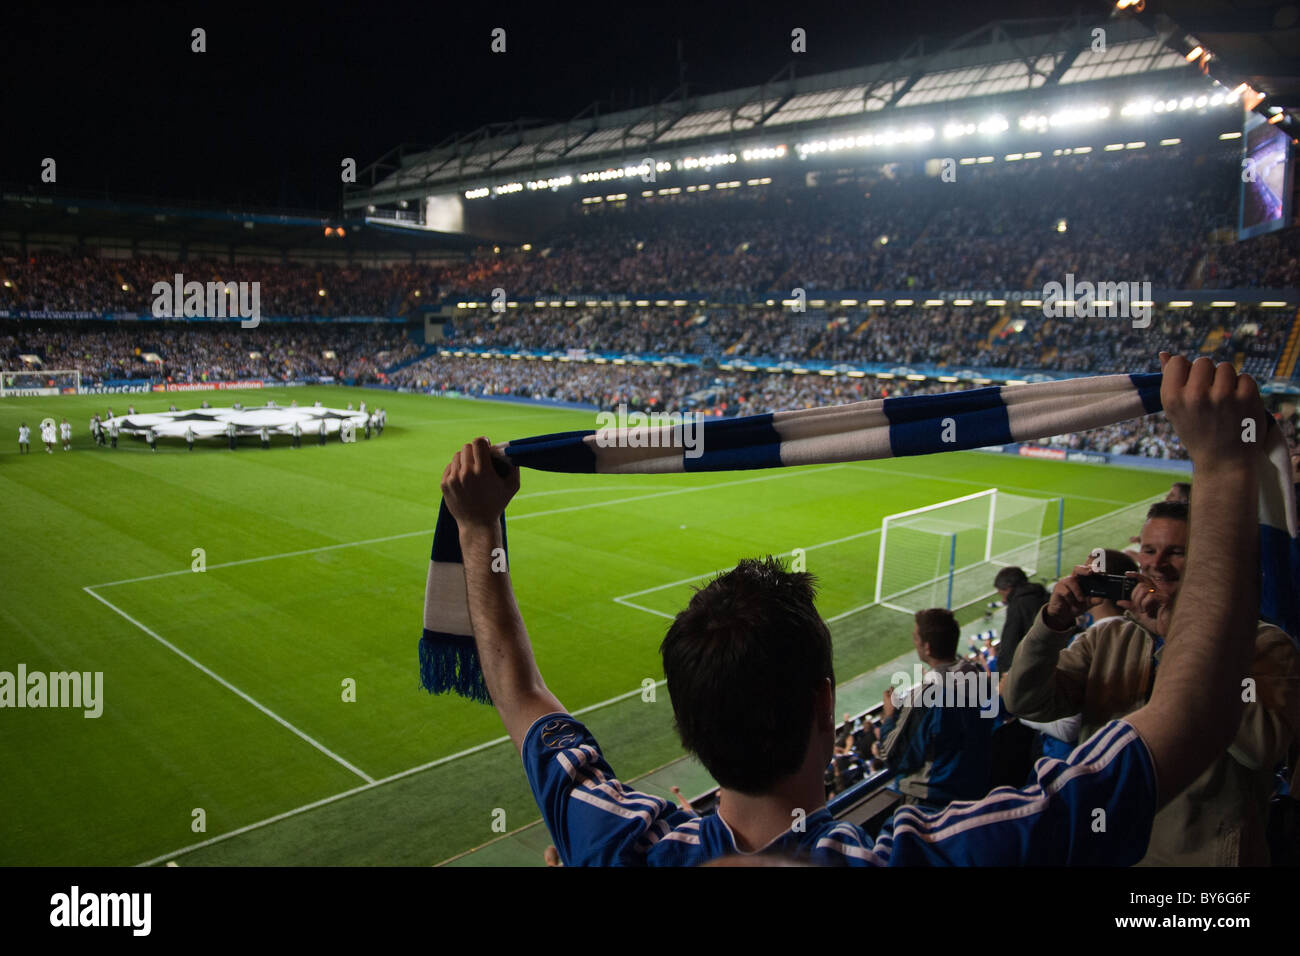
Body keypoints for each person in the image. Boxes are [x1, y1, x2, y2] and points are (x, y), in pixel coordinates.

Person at [436, 354, 1277, 866]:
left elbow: (517, 691)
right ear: (826, 701)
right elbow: (1191, 717)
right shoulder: (952, 855)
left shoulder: (615, 843)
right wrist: (1228, 467)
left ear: (687, 732)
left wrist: (478, 531)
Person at [1003, 501, 1300, 865]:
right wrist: (1051, 625)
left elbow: (1260, 748)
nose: (1157, 564)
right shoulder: (1109, 639)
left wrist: (1180, 638)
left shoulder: (1263, 644)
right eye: (1149, 549)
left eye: (1176, 551)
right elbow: (1024, 700)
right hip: (1105, 850)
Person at [1018, 548, 1138, 762]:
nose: (1077, 579)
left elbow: (1067, 728)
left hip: (1066, 759)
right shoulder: (1133, 632)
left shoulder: (1095, 642)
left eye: (1087, 576)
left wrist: (1021, 716)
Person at [877, 608, 994, 809]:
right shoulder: (977, 675)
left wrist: (889, 716)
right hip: (977, 788)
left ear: (928, 647)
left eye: (916, 638)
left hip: (934, 802)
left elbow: (892, 756)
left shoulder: (927, 696)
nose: (914, 643)